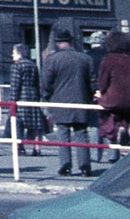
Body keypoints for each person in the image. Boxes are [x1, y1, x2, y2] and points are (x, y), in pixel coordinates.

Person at [41, 27, 96, 177]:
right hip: (81, 101)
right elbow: (92, 82)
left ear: (58, 43)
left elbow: (46, 83)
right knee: (81, 133)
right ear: (71, 41)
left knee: (63, 134)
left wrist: (46, 97)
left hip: (60, 102)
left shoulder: (52, 60)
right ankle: (85, 166)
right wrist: (90, 97)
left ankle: (65, 166)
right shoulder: (85, 58)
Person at [96, 31, 130, 154]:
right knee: (129, 111)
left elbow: (103, 83)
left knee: (108, 111)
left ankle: (118, 128)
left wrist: (100, 93)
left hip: (114, 100)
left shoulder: (108, 60)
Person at [8, 44, 46, 155]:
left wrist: (12, 102)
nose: (12, 55)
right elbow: (37, 82)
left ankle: (20, 147)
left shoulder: (16, 66)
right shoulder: (33, 65)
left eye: (13, 53)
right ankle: (37, 147)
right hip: (33, 96)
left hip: (21, 97)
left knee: (18, 123)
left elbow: (15, 85)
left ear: (19, 54)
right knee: (35, 124)